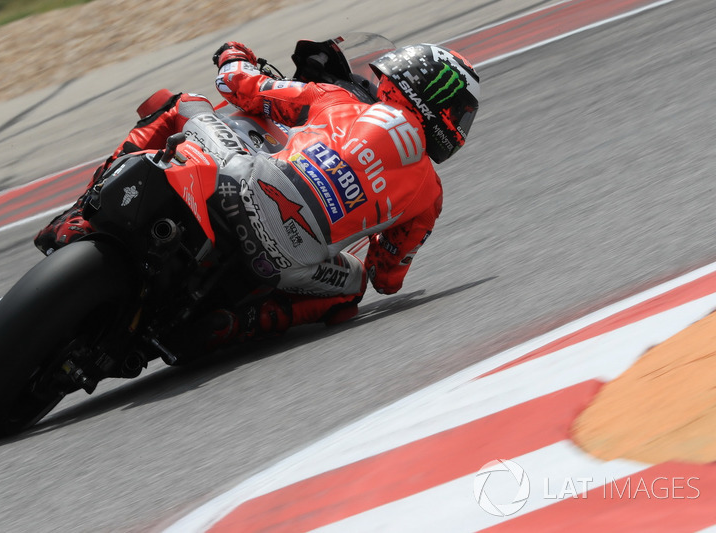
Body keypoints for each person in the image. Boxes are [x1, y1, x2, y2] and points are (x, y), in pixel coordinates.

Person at [34, 39, 480, 352]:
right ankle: (238, 324)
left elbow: (239, 86)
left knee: (180, 104)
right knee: (352, 289)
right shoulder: (430, 195)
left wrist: (234, 55)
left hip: (242, 182)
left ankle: (81, 215)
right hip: (292, 257)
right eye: (461, 117)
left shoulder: (337, 101)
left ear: (403, 76)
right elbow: (387, 279)